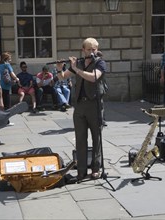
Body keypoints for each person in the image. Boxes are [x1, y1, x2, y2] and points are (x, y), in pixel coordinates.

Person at [56, 37, 107, 180]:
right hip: (79, 106)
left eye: (94, 49)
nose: (91, 52)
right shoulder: (78, 62)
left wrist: (77, 69)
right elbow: (63, 77)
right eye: (89, 49)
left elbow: (94, 77)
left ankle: (96, 169)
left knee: (97, 139)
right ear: (83, 50)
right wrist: (60, 69)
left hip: (94, 105)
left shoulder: (100, 63)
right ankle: (81, 171)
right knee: (80, 139)